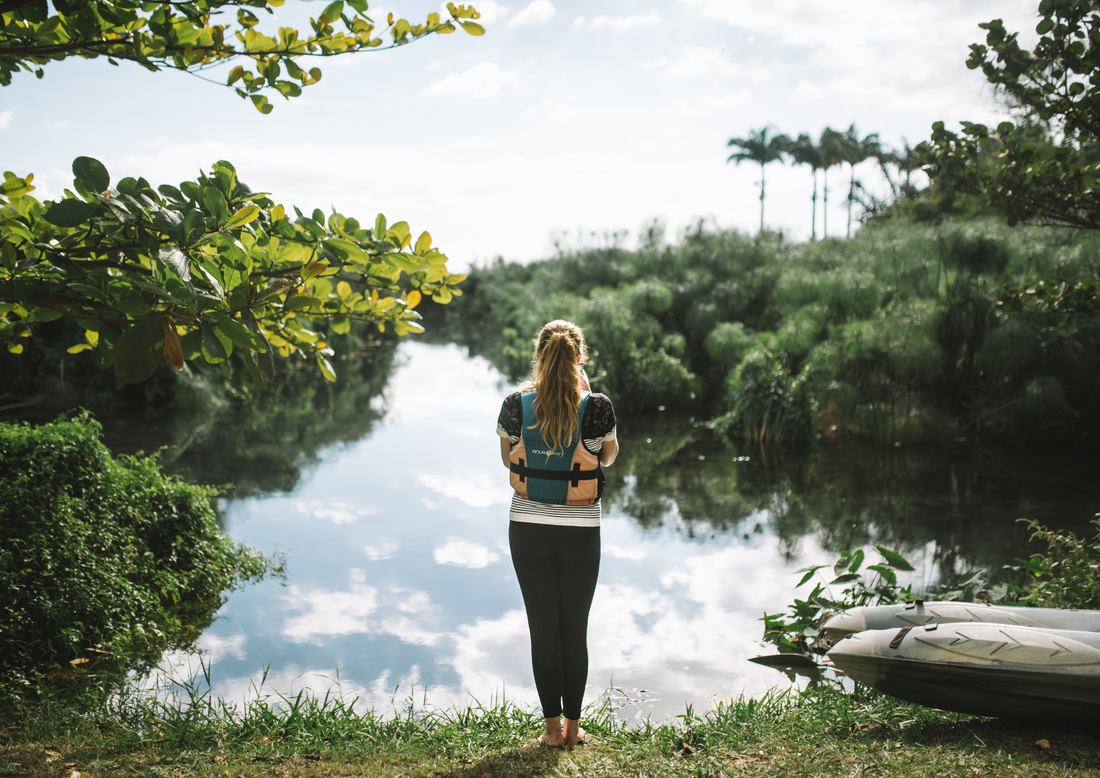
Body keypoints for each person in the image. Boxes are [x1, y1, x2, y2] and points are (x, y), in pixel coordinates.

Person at [496, 319, 619, 748]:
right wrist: (585, 391)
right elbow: (607, 458)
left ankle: (549, 730)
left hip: (526, 527)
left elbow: (508, 461)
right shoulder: (598, 405)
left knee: (543, 628)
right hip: (580, 530)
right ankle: (571, 730)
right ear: (579, 357)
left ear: (539, 354)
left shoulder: (515, 403)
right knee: (574, 629)